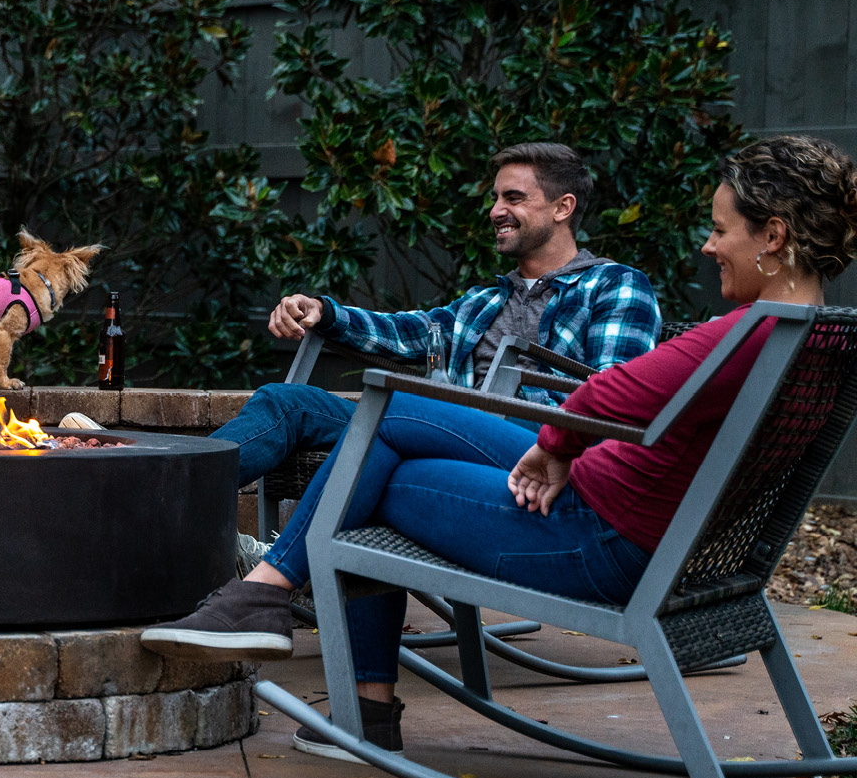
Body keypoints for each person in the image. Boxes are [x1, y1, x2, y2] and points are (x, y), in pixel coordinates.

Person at [142, 135, 857, 761]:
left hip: (596, 534)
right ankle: (283, 619)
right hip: (638, 524)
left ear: (772, 236)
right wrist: (328, 311)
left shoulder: (736, 330)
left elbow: (605, 395)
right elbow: (424, 333)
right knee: (371, 429)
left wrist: (553, 446)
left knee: (374, 458)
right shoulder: (815, 338)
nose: (707, 244)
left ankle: (289, 623)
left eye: (720, 228)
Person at [221, 143, 661, 508]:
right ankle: (166, 492)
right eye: (495, 198)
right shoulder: (486, 300)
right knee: (285, 403)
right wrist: (323, 311)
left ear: (563, 207)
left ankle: (277, 567)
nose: (495, 211)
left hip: (530, 446)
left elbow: (612, 400)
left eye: (513, 198)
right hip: (433, 427)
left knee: (392, 420)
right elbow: (407, 332)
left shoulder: (616, 286)